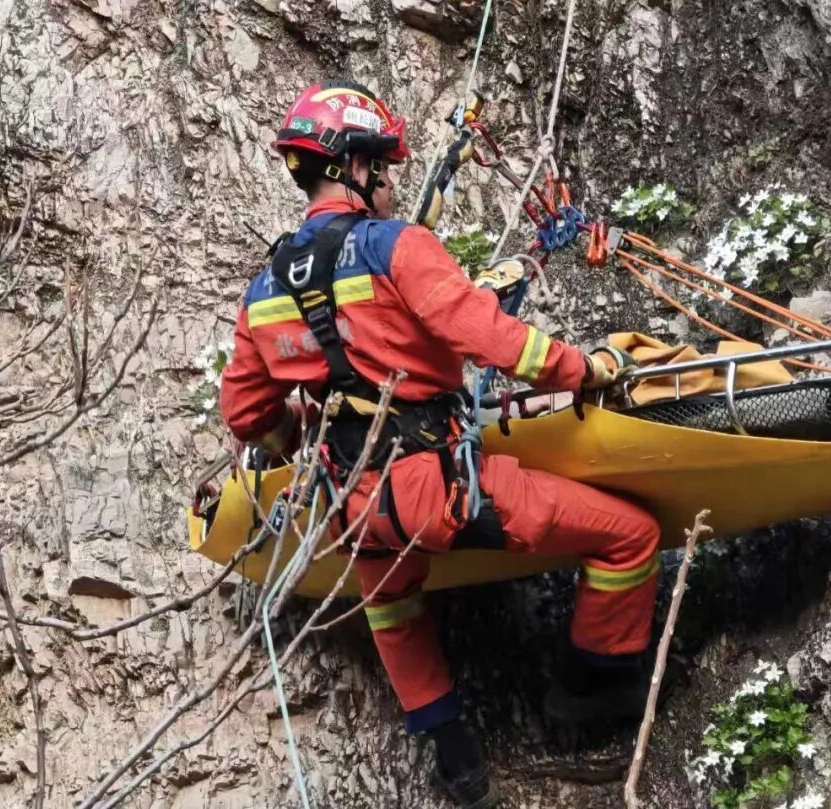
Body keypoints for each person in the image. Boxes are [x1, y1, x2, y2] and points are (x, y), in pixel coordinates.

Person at [219, 79, 662, 809]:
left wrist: (297, 433)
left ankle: (459, 764)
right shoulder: (397, 247)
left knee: (390, 605)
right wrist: (585, 370)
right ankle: (587, 693)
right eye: (383, 170)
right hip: (439, 488)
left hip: (352, 502)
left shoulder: (264, 288)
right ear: (357, 166)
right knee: (630, 536)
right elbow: (492, 338)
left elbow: (245, 410)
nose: (391, 184)